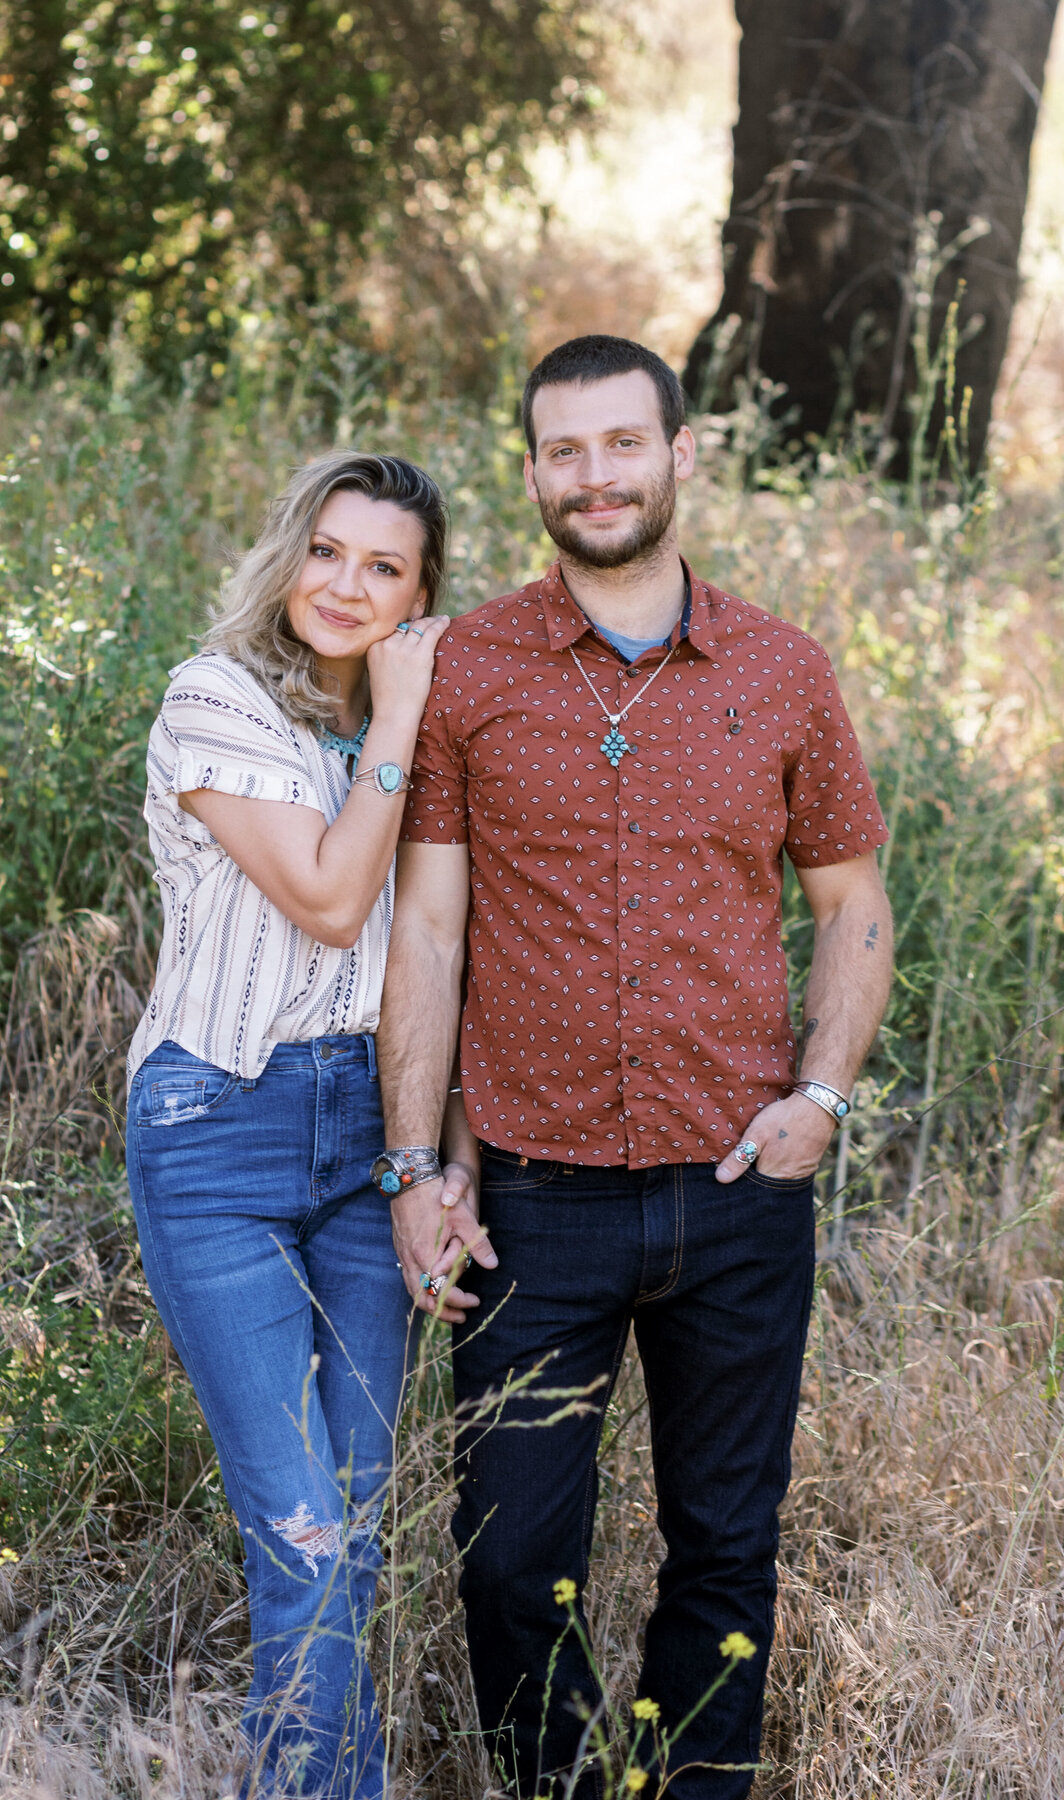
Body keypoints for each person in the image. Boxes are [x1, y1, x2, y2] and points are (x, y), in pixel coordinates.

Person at [376, 336, 895, 1799]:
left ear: (682, 455)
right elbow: (424, 931)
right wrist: (417, 1169)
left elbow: (853, 903)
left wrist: (823, 1100)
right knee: (513, 1563)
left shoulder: (783, 671)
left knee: (727, 1547)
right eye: (562, 451)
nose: (592, 476)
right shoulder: (467, 666)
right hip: (532, 1205)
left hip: (738, 1191)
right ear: (531, 471)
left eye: (621, 444)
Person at [124, 451, 460, 1799]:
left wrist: (432, 1159)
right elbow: (329, 898)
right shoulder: (216, 701)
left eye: (384, 567)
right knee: (305, 1530)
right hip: (222, 1132)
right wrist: (398, 718)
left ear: (422, 595)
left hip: (369, 1137)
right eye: (328, 550)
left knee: (357, 1527)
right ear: (290, 551)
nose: (345, 585)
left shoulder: (418, 720)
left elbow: (439, 957)